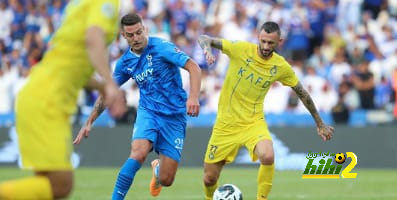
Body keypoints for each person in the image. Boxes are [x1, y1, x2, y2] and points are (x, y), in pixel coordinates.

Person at [0, 0, 126, 199]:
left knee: (46, 185)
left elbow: (72, 65)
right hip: (47, 100)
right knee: (61, 185)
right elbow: (93, 38)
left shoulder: (79, 5)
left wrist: (103, 86)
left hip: (38, 93)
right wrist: (110, 83)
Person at [198, 21, 334, 200]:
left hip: (253, 123)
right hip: (225, 124)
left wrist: (319, 122)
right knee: (209, 178)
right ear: (258, 37)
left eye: (271, 43)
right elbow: (204, 38)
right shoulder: (240, 49)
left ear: (280, 42)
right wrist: (207, 49)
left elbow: (302, 93)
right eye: (263, 41)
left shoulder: (281, 66)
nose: (266, 46)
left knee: (268, 156)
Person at [73, 13, 202, 200]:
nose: (136, 38)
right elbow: (108, 92)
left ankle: (158, 171)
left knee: (167, 180)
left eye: (139, 32)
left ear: (144, 29)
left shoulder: (161, 47)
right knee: (138, 152)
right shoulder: (125, 63)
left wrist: (193, 97)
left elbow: (194, 67)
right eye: (131, 35)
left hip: (174, 117)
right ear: (124, 36)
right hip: (148, 113)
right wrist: (90, 121)